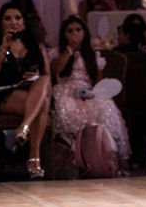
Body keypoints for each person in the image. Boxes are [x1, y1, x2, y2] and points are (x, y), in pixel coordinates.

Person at [50, 16, 131, 173]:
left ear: (85, 33)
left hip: (88, 91)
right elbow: (56, 71)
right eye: (70, 31)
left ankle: (103, 156)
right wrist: (69, 50)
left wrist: (93, 93)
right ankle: (75, 159)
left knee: (104, 107)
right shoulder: (57, 53)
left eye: (78, 30)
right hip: (66, 89)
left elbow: (97, 81)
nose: (75, 33)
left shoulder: (93, 55)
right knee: (69, 110)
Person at [0, 3, 52, 179]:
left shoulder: (36, 46)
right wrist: (3, 47)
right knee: (42, 104)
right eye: (8, 18)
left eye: (18, 18)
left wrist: (34, 77)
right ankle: (33, 158)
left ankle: (24, 128)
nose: (13, 22)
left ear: (24, 23)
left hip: (30, 92)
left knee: (43, 83)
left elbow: (48, 78)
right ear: (1, 24)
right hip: (2, 95)